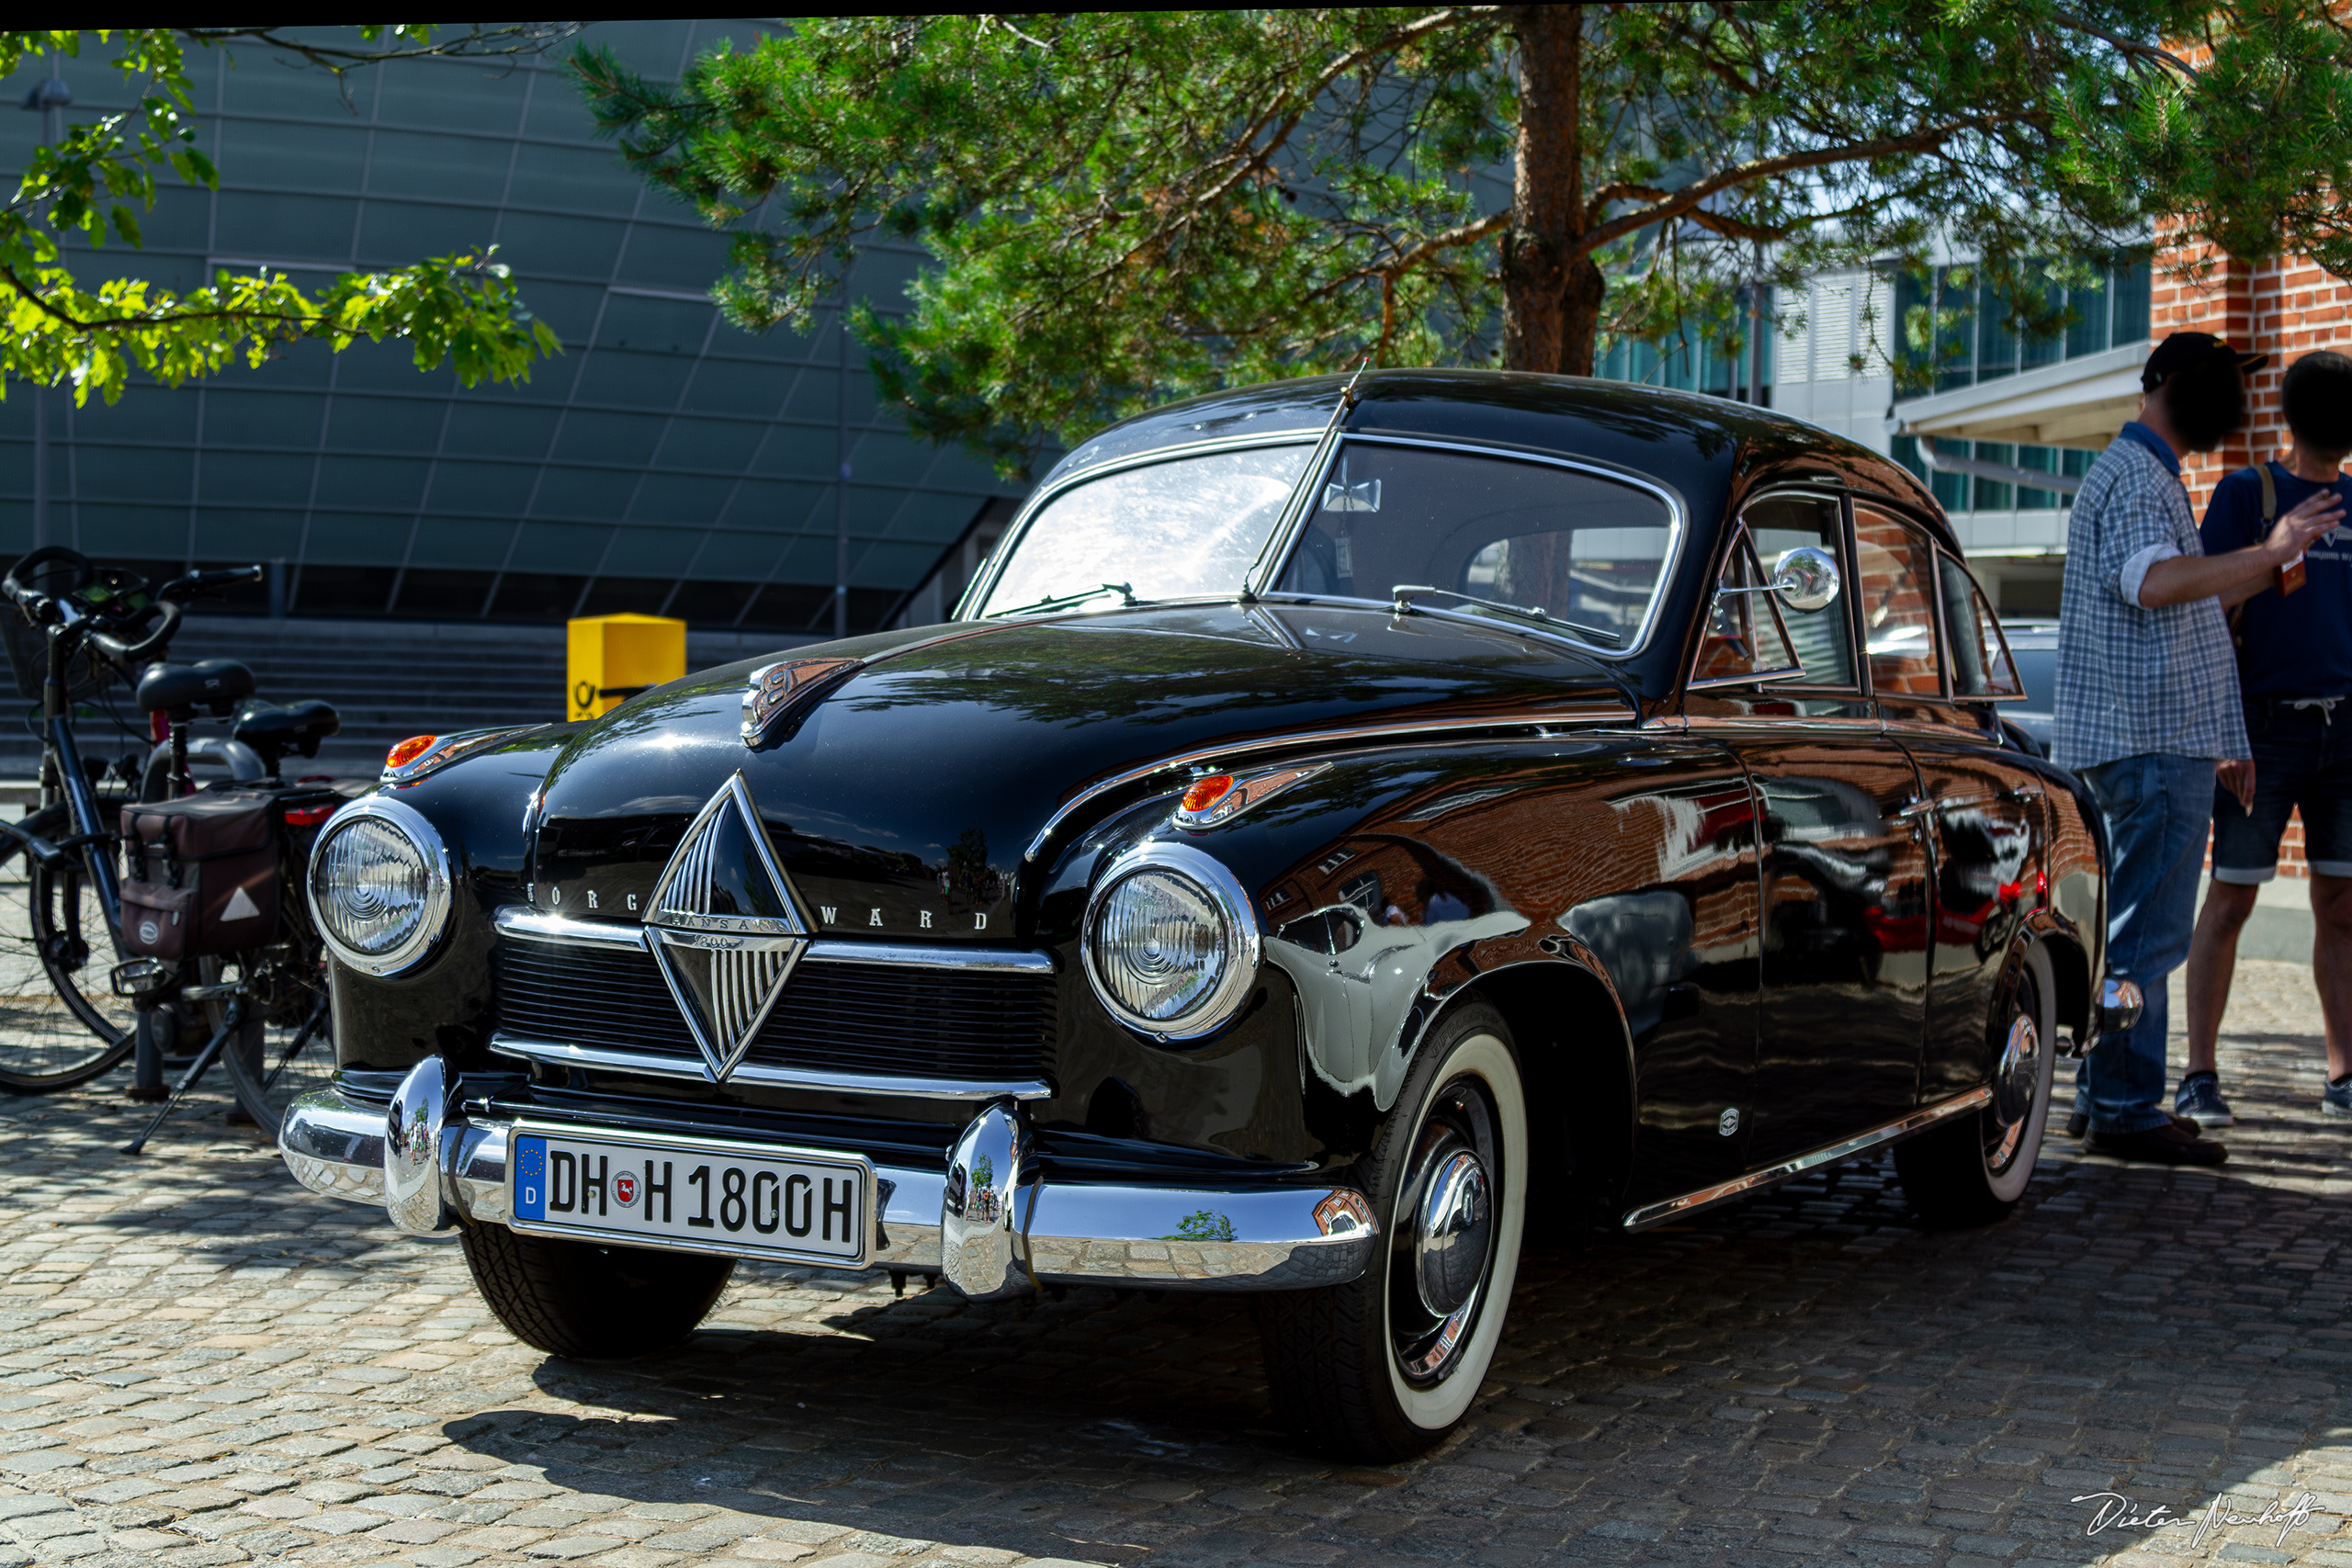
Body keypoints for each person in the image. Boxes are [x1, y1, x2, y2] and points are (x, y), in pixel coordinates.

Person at [2052, 332, 2342, 1165]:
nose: (2234, 402)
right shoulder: (2141, 475)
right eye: (2219, 384)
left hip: (2156, 741)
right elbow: (2154, 583)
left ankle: (2105, 1091)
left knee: (2128, 933)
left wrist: (2271, 564)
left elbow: (2181, 606)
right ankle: (2126, 1104)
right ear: (2171, 385)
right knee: (2146, 937)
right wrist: (2269, 552)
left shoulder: (2140, 470)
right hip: (2149, 746)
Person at [2182, 350, 2352, 1124]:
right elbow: (2204, 616)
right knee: (2231, 901)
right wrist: (2222, 728)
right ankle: (2199, 1073)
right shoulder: (2250, 494)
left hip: (2345, 732)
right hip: (2262, 729)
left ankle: (2343, 1076)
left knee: (2342, 905)